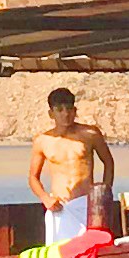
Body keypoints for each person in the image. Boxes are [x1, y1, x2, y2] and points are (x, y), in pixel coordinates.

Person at [28, 86, 114, 245]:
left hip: (87, 204)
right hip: (59, 206)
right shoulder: (43, 141)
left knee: (92, 249)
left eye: (69, 109)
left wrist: (104, 194)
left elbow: (108, 162)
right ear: (51, 113)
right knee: (61, 252)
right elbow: (33, 177)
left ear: (75, 111)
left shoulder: (90, 134)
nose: (65, 114)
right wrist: (45, 198)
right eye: (59, 110)